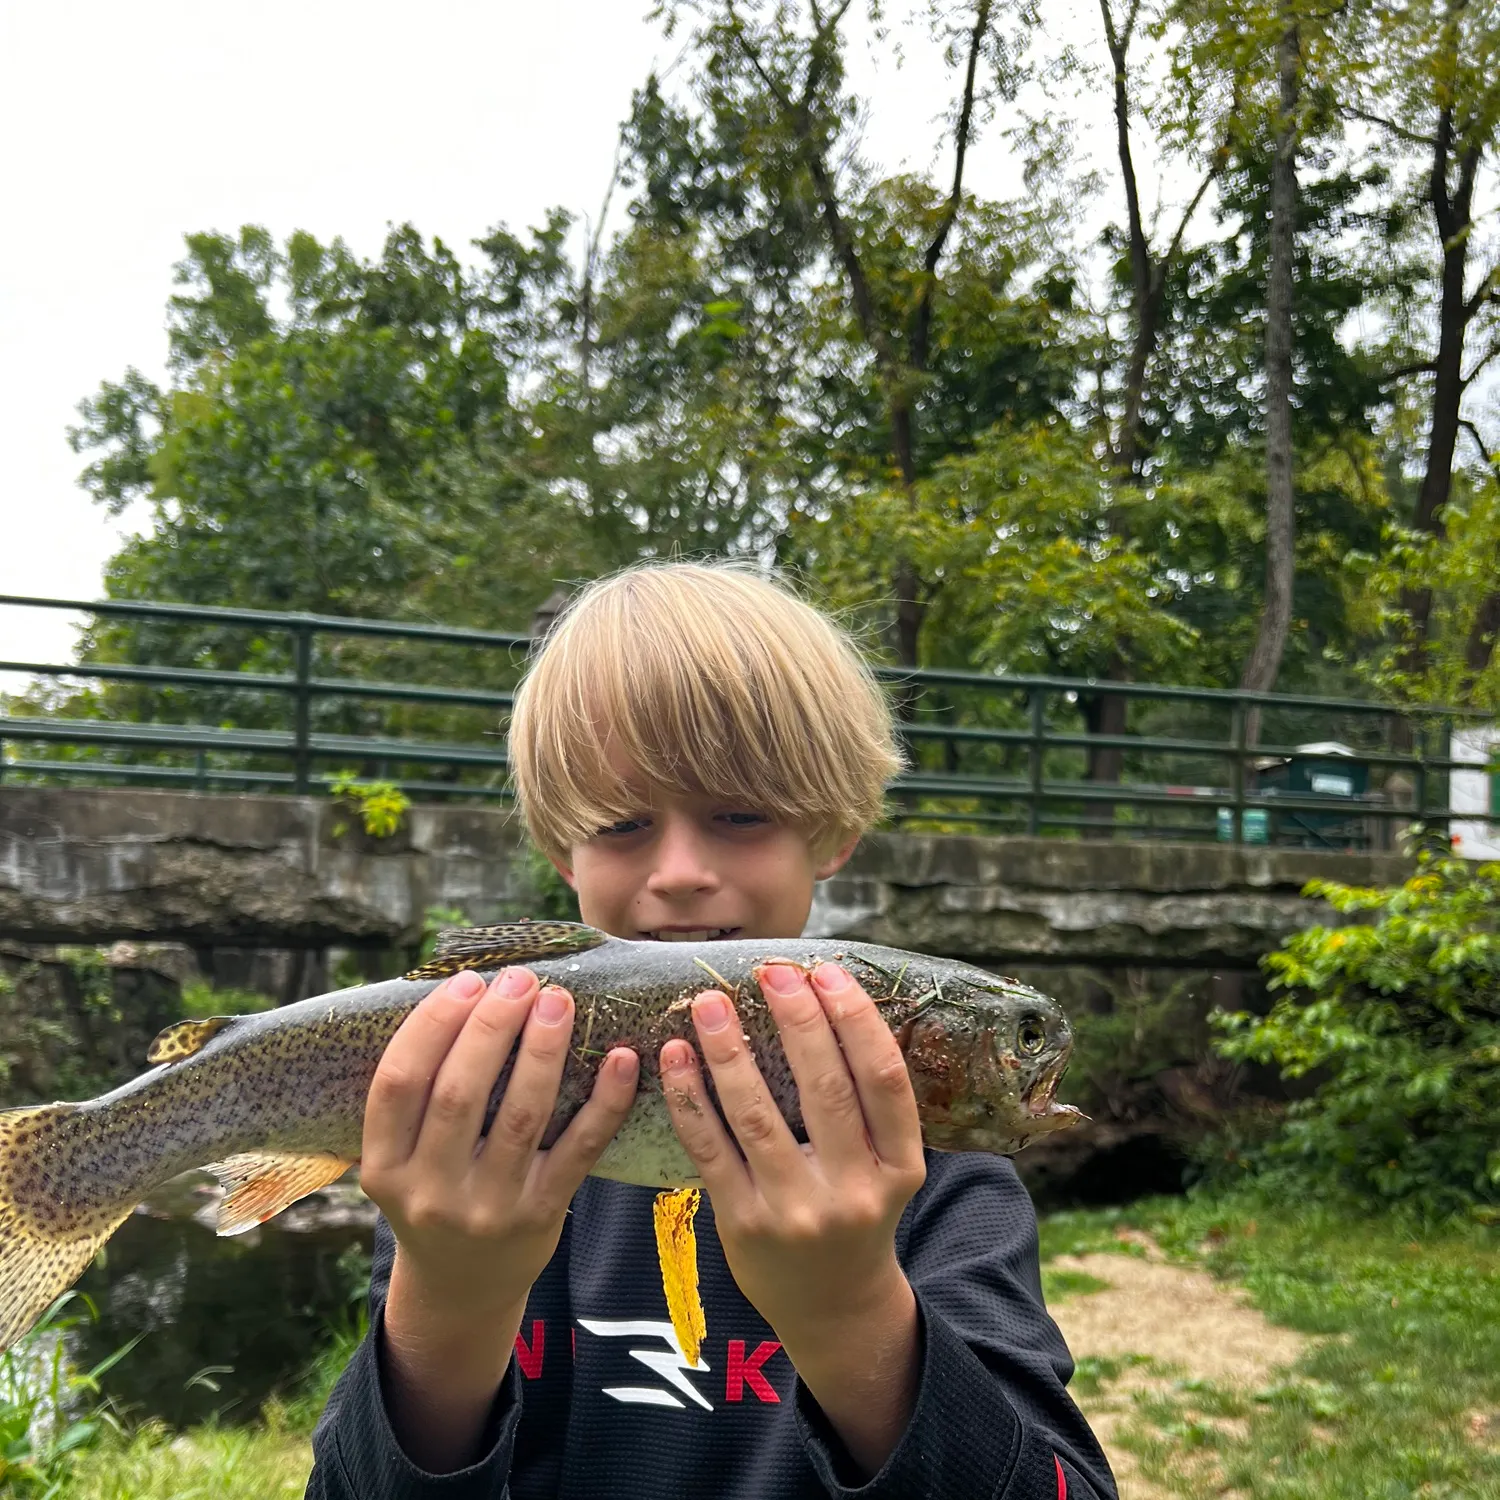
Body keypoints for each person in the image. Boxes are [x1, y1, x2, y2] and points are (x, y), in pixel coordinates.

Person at [306, 561, 1118, 1499]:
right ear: (556, 849)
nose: (682, 870)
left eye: (739, 814)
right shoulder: (473, 1135)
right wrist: (450, 1298)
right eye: (620, 824)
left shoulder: (945, 1184)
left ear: (834, 831)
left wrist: (854, 1310)